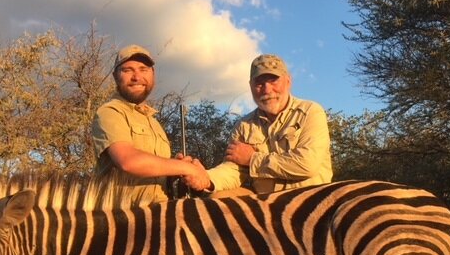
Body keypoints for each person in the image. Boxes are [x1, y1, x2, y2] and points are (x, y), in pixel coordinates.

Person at [184, 54, 332, 195]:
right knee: (216, 198)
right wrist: (205, 177)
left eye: (273, 80)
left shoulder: (311, 111)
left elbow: (307, 164)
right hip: (264, 205)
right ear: (250, 86)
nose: (267, 90)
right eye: (259, 83)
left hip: (310, 202)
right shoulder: (243, 125)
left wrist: (252, 159)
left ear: (288, 81)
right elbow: (234, 170)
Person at [85, 44, 209, 209]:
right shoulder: (110, 112)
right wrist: (186, 168)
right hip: (122, 217)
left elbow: (156, 172)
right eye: (127, 70)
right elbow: (128, 161)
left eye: (143, 69)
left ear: (153, 74)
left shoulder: (153, 122)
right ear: (115, 76)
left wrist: (177, 174)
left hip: (158, 214)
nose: (136, 76)